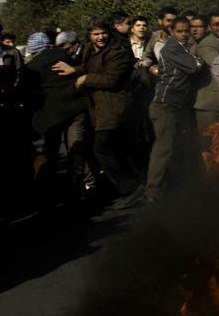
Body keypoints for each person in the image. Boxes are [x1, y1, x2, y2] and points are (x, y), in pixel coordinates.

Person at [53, 20, 143, 207]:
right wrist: (74, 70)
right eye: (95, 34)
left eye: (103, 33)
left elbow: (111, 79)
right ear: (89, 36)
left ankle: (132, 187)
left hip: (115, 107)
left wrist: (85, 79)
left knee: (101, 147)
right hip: (100, 108)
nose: (100, 37)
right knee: (119, 148)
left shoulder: (117, 51)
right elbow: (89, 67)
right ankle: (136, 184)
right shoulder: (90, 49)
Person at [144, 16, 204, 204]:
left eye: (187, 31)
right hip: (165, 105)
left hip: (175, 106)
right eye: (180, 31)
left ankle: (170, 185)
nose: (185, 34)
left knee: (175, 146)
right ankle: (152, 190)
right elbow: (195, 67)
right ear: (171, 31)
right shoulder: (172, 48)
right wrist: (198, 60)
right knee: (163, 148)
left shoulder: (181, 48)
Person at [26, 31, 89, 205]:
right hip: (76, 109)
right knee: (76, 150)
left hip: (51, 117)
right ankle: (77, 189)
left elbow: (28, 93)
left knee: (51, 153)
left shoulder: (31, 67)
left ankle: (50, 193)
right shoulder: (64, 55)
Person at [191, 12, 219, 138]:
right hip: (209, 105)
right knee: (208, 145)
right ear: (210, 27)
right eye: (216, 24)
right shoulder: (206, 44)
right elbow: (218, 64)